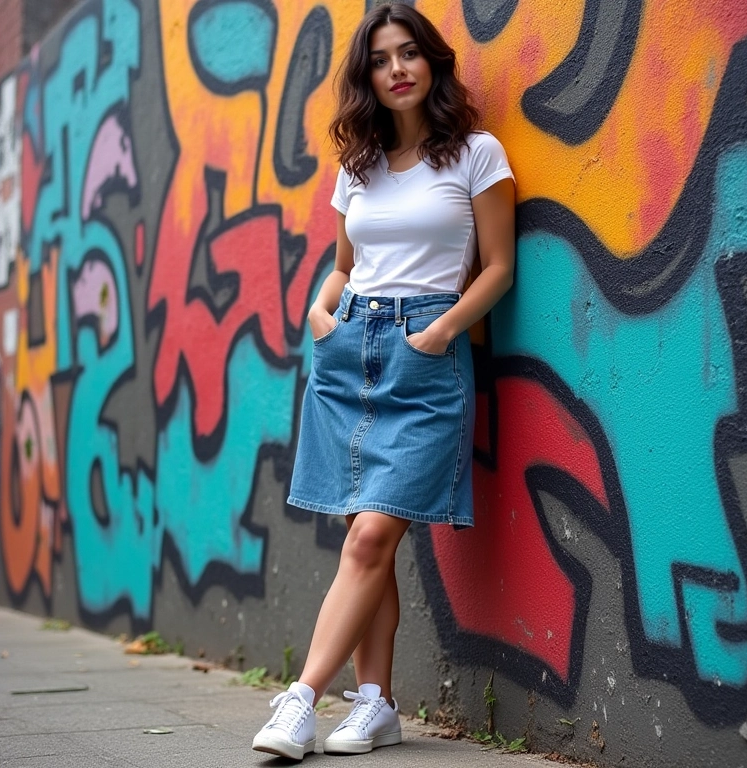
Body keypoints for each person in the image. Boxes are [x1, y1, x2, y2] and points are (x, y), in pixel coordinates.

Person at [251, 2, 515, 761]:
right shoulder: (358, 167)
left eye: (409, 53)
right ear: (365, 77)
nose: (396, 69)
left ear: (432, 62)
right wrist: (318, 309)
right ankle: (376, 705)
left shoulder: (476, 155)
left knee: (371, 535)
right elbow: (344, 266)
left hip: (424, 356)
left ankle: (301, 699)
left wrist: (441, 330)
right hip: (347, 352)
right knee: (363, 544)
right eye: (379, 59)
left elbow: (499, 267)